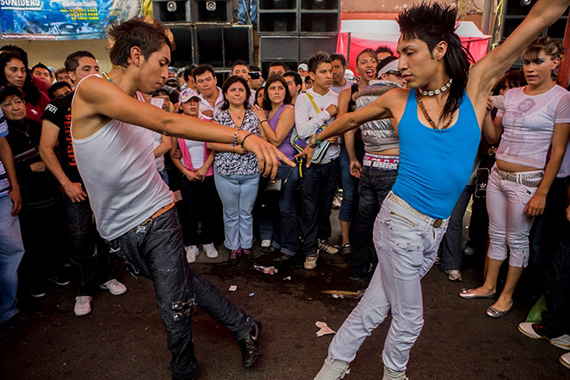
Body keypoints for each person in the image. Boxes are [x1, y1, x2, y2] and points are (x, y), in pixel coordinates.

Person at [301, 2, 570, 379]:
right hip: (401, 225)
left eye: (410, 53)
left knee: (376, 307)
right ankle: (394, 376)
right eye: (399, 55)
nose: (402, 64)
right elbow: (350, 117)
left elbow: (538, 18)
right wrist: (312, 139)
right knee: (410, 320)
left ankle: (334, 364)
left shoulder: (475, 88)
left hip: (434, 228)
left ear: (440, 49)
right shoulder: (398, 99)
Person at [70, 18, 292, 379]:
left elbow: (166, 135)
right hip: (116, 228)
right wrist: (245, 137)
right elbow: (169, 125)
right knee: (181, 283)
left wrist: (242, 135)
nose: (167, 72)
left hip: (157, 214)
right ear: (137, 55)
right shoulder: (93, 88)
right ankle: (244, 324)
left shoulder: (141, 98)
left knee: (173, 301)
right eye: (162, 62)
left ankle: (184, 369)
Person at [460, 37, 570, 317]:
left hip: (528, 180)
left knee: (517, 239)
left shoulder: (562, 98)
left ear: (555, 63)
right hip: (498, 174)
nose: (530, 67)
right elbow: (495, 136)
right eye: (528, 61)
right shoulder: (512, 95)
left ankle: (507, 296)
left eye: (538, 61)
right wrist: (486, 113)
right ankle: (488, 286)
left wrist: (542, 192)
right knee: (495, 234)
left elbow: (558, 150)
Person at [40, 50, 127, 316]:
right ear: (71, 75)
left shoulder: (107, 102)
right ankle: (82, 291)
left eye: (95, 68)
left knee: (107, 233)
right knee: (79, 238)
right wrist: (66, 183)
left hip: (103, 183)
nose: (93, 74)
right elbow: (46, 148)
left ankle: (106, 276)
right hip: (75, 185)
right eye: (85, 69)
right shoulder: (59, 105)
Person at [342, 53, 406, 280]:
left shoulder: (361, 97)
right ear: (386, 75)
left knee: (364, 221)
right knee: (388, 225)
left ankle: (358, 268)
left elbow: (350, 128)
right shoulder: (395, 96)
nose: (403, 78)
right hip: (391, 168)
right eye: (398, 74)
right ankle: (383, 274)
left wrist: (352, 158)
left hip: (368, 164)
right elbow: (401, 133)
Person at [1, 86, 66, 298]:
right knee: (32, 241)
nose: (15, 107)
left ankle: (56, 271)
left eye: (18, 102)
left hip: (50, 192)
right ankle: (36, 280)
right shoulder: (5, 137)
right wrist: (30, 168)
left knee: (54, 234)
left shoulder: (36, 126)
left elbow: (54, 152)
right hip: (27, 198)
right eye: (7, 104)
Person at [208, 76, 261, 264]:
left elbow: (262, 141)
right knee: (230, 212)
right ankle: (233, 247)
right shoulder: (219, 117)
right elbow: (211, 142)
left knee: (246, 212)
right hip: (225, 173)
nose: (237, 93)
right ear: (226, 94)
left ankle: (246, 246)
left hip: (251, 172)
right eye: (233, 90)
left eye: (241, 90)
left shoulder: (254, 116)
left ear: (247, 93)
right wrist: (234, 148)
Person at [295, 51, 340, 270]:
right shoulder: (303, 98)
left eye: (330, 71)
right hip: (310, 165)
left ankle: (322, 240)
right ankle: (310, 252)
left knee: (325, 206)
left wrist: (336, 136)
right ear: (311, 75)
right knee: (309, 208)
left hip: (331, 161)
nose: (329, 75)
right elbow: (302, 131)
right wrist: (325, 115)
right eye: (323, 72)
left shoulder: (338, 97)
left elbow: (345, 127)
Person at [170, 88, 221, 263]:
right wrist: (186, 172)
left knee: (208, 209)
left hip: (207, 173)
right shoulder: (177, 124)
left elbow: (215, 148)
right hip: (187, 175)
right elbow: (173, 153)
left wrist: (204, 168)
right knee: (188, 210)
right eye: (188, 102)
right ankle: (190, 244)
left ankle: (208, 241)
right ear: (181, 106)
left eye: (195, 101)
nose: (192, 105)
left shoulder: (207, 122)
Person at [252, 74, 298, 263]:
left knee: (287, 208)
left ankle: (290, 248)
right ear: (266, 92)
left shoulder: (288, 110)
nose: (276, 92)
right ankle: (279, 243)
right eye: (272, 88)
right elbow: (263, 139)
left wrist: (262, 120)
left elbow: (277, 139)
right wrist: (264, 120)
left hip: (287, 165)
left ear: (285, 91)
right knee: (276, 208)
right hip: (272, 166)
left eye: (280, 88)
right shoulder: (268, 112)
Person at [0, 107, 26, 327]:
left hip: (2, 193)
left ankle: (8, 308)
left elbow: (2, 143)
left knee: (11, 251)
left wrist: (14, 185)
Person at [0, 51, 50, 124]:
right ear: (2, 71)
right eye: (13, 70)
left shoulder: (40, 97)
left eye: (23, 70)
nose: (20, 75)